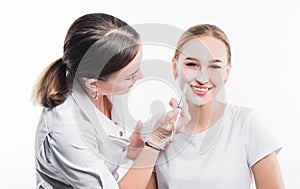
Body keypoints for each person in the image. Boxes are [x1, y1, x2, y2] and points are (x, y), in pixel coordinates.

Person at [33, 13, 185, 189]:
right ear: (94, 84)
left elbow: (103, 149)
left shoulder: (104, 86)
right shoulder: (66, 128)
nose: (140, 77)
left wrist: (133, 149)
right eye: (130, 76)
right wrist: (155, 142)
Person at [147, 24, 285, 189]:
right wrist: (153, 143)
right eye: (192, 64)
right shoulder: (156, 130)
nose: (202, 78)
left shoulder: (245, 123)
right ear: (175, 66)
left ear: (227, 72)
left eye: (214, 66)